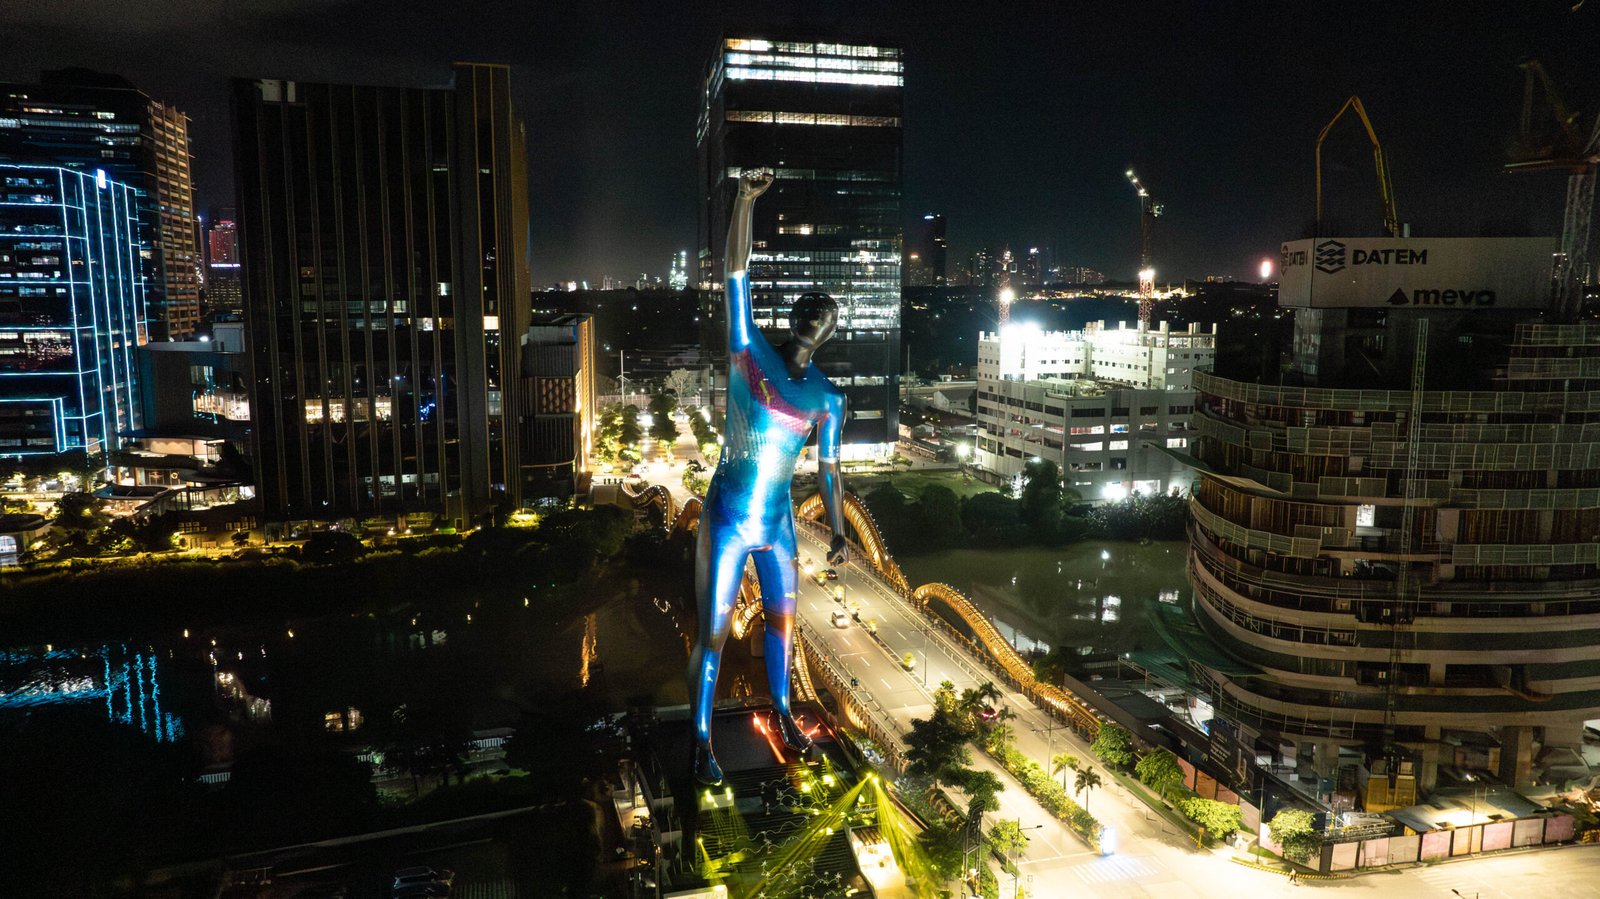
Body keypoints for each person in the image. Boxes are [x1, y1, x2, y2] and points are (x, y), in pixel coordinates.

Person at [688, 168, 849, 785]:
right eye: (809, 306)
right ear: (792, 316)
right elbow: (736, 276)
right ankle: (701, 741)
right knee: (715, 633)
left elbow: (830, 470)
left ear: (831, 333)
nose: (816, 315)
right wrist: (743, 201)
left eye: (826, 313)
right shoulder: (747, 350)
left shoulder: (829, 398)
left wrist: (836, 528)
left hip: (779, 522)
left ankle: (782, 712)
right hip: (728, 514)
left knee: (784, 622)